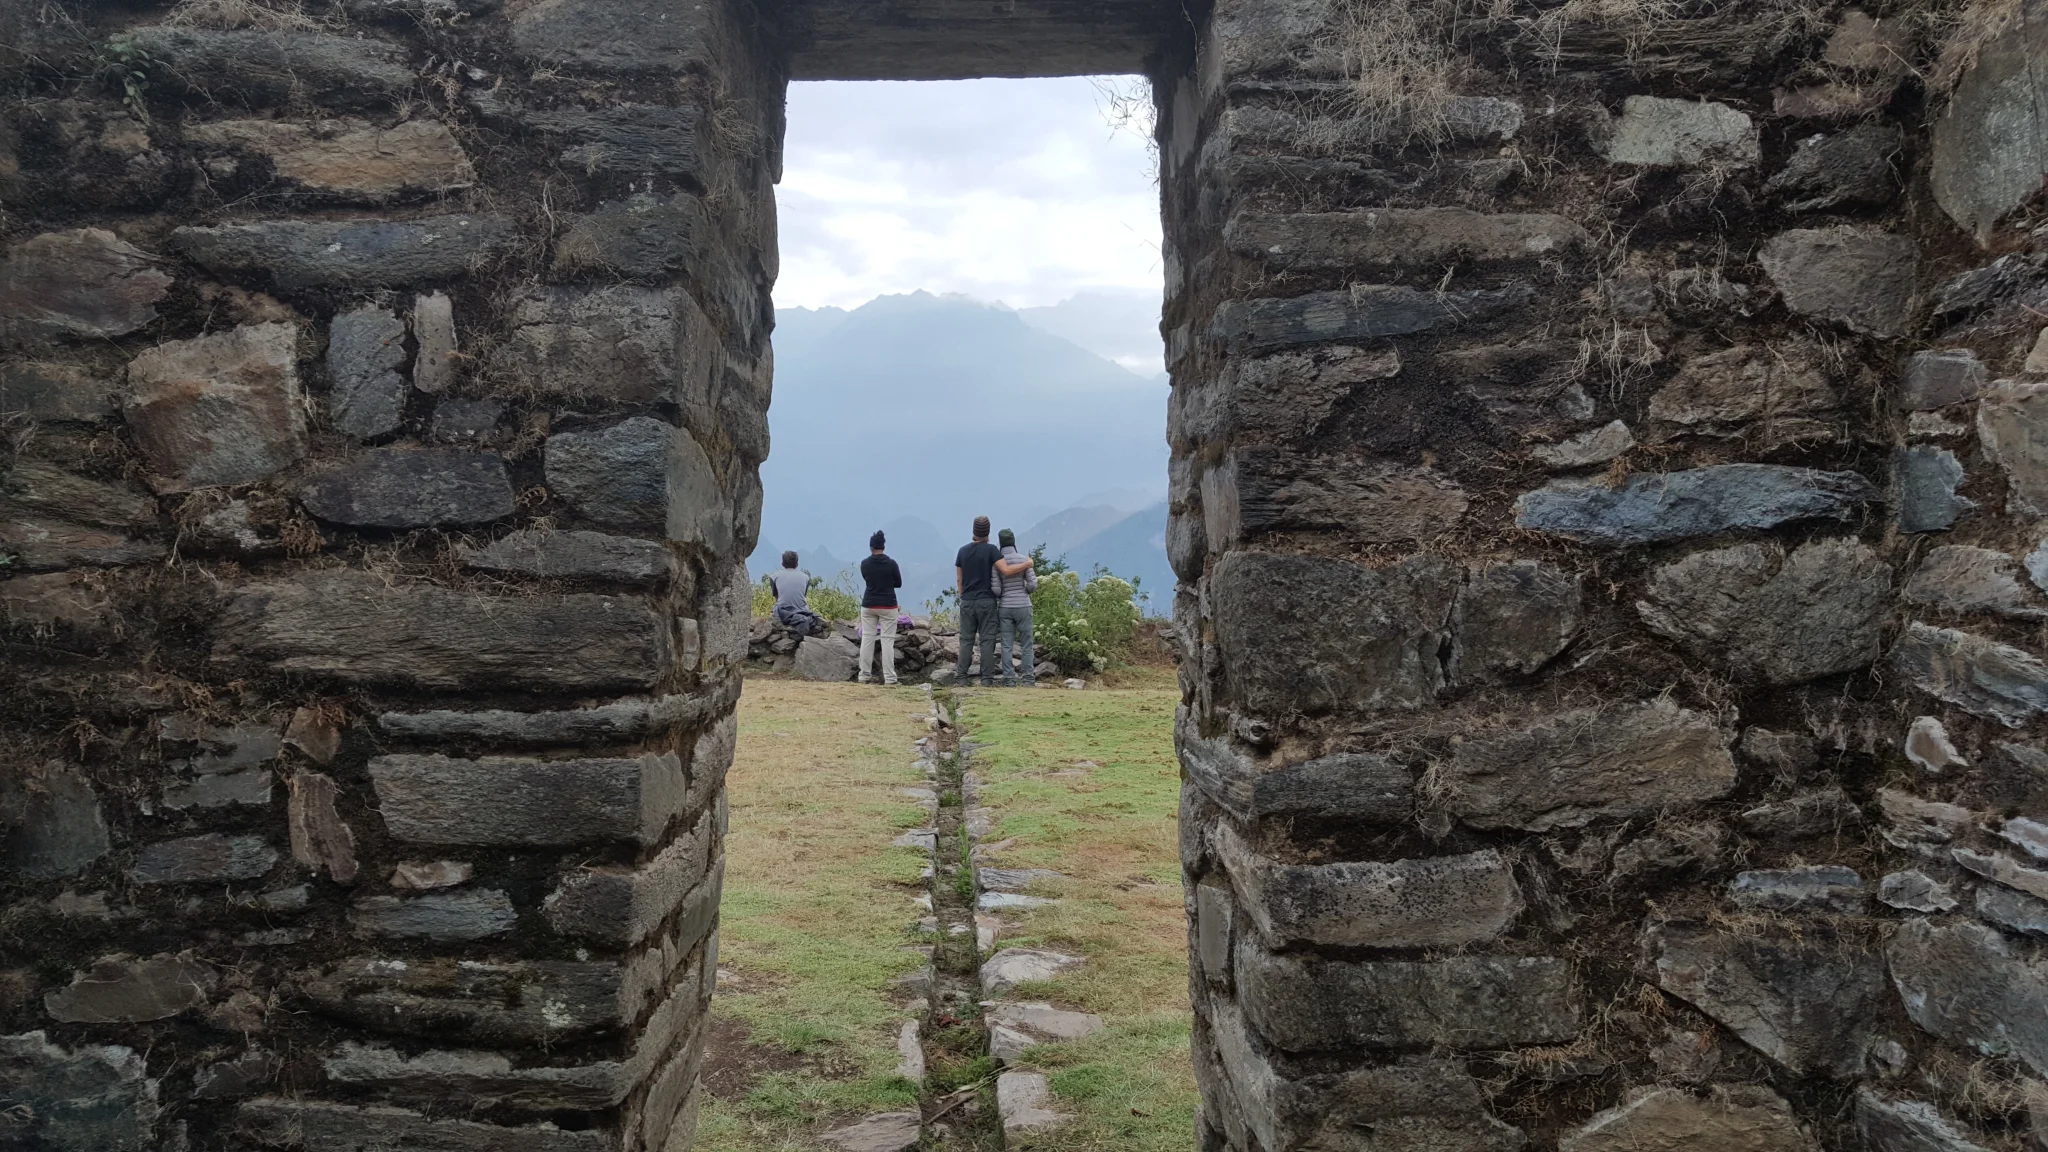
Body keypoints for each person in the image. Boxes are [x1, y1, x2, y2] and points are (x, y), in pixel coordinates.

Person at [990, 528, 1037, 687]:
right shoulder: (1025, 559)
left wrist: (1004, 594)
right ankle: (1028, 679)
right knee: (1027, 644)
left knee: (1007, 645)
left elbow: (996, 590)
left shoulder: (997, 563)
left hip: (1005, 607)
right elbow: (1032, 585)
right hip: (1023, 605)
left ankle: (1009, 679)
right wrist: (1023, 590)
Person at [857, 530, 902, 686]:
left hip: (869, 604)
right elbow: (898, 583)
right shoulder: (891, 564)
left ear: (871, 547)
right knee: (887, 640)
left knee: (867, 638)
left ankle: (864, 675)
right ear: (883, 546)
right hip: (888, 605)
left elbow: (867, 580)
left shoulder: (865, 564)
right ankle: (889, 678)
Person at [771, 551, 823, 637]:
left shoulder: (774, 577)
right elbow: (803, 595)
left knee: (777, 607)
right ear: (797, 564)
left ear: (782, 563)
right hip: (803, 611)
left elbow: (776, 596)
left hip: (784, 613)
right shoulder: (805, 577)